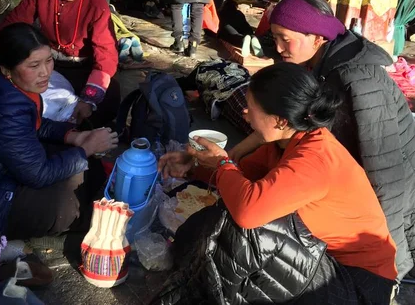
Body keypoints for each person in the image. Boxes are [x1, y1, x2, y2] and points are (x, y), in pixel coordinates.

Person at [219, 0, 415, 280]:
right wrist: (253, 142)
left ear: (318, 38)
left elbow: (386, 171)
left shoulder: (361, 81)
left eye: (286, 38)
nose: (280, 47)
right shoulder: (318, 65)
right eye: (275, 37)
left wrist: (392, 264)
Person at [158, 63, 397, 304]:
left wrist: (221, 164)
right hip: (318, 256)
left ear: (281, 121)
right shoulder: (284, 143)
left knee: (244, 233)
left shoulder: (315, 158)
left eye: (251, 109)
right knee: (223, 215)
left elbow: (248, 210)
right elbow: (240, 178)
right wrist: (194, 167)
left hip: (356, 282)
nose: (245, 114)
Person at [0, 23, 119, 239]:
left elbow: (32, 124)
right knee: (65, 204)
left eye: (48, 60)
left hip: (3, 167)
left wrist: (73, 136)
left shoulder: (8, 84)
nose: (45, 72)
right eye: (34, 65)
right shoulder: (5, 106)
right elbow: (38, 174)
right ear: (7, 69)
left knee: (81, 166)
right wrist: (86, 148)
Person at [0, 0, 120, 128]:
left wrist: (88, 99)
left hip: (82, 67)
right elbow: (17, 20)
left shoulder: (97, 4)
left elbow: (106, 53)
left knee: (108, 96)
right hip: (47, 62)